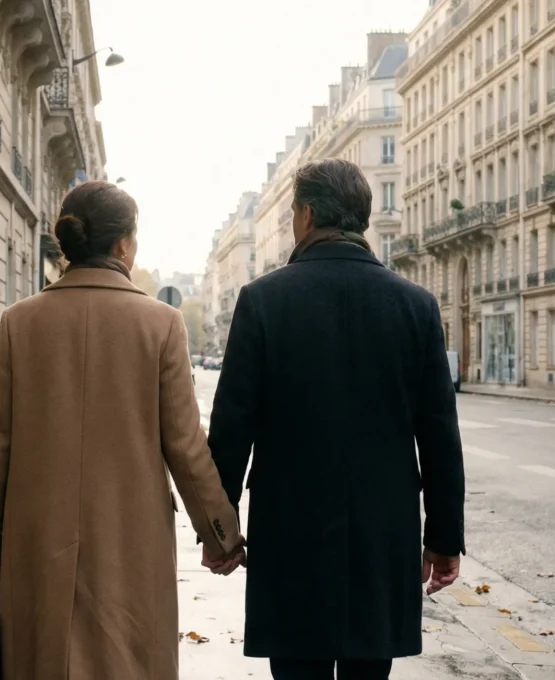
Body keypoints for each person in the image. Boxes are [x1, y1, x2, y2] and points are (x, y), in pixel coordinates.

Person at [0, 180, 246, 680]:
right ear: (123, 244)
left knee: (41, 660)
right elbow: (185, 445)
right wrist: (220, 533)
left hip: (36, 537)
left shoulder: (19, 322)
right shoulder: (160, 323)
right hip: (130, 537)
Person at [205, 159, 466, 680]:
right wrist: (442, 537)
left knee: (297, 668)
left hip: (291, 532)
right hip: (382, 531)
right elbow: (439, 435)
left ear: (304, 215)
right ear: (362, 218)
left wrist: (220, 528)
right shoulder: (416, 305)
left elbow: (233, 428)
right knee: (370, 670)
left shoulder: (263, 301)